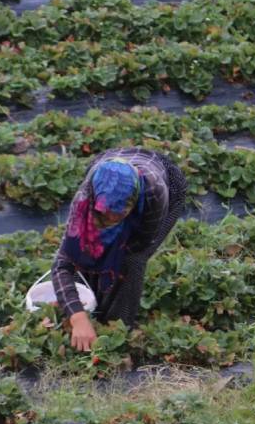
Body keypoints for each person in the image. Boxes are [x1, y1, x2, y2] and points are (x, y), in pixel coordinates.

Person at [52, 147, 187, 352]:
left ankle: (117, 329)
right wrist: (78, 317)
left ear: (130, 205)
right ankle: (87, 308)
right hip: (107, 162)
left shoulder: (155, 193)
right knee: (86, 249)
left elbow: (141, 244)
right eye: (104, 214)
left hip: (165, 181)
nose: (111, 220)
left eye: (118, 214)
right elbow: (62, 263)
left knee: (130, 260)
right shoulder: (85, 197)